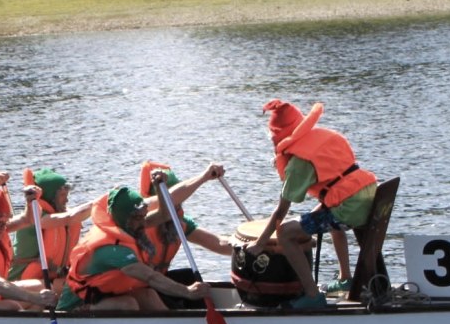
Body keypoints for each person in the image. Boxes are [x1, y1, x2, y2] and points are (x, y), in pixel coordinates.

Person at [245, 99, 379, 308]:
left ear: (277, 137)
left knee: (285, 232)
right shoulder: (321, 136)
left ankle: (312, 295)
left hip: (350, 208)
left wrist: (260, 243)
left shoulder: (300, 162)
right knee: (322, 213)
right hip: (368, 193)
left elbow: (281, 211)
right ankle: (345, 278)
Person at [58, 187, 209, 311]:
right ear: (125, 218)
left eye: (144, 216)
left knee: (148, 295)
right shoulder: (111, 249)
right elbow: (150, 277)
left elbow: (163, 215)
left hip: (105, 295)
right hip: (76, 305)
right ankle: (84, 311)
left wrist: (159, 186)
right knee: (128, 304)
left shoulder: (129, 226)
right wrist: (187, 292)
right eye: (138, 218)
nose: (144, 223)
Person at [135, 161, 237, 273]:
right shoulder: (139, 216)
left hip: (159, 278)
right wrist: (204, 177)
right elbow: (171, 198)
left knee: (188, 274)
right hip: (137, 280)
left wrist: (247, 246)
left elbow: (219, 243)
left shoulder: (180, 222)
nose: (178, 204)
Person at [7, 168, 91, 286]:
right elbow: (70, 217)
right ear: (49, 196)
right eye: (62, 195)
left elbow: (74, 215)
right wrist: (100, 202)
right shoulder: (36, 217)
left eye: (67, 195)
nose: (67, 200)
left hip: (51, 278)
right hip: (22, 282)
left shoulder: (60, 213)